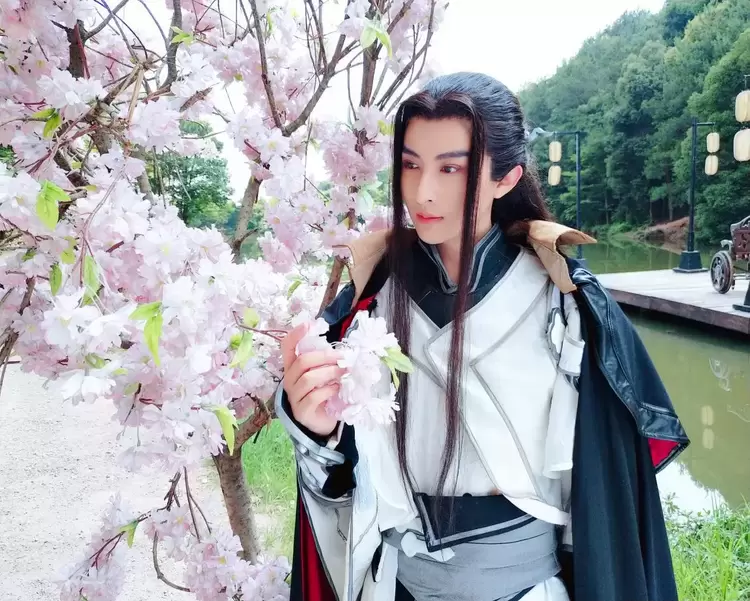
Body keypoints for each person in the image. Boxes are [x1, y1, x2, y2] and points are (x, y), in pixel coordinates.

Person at [276, 72, 689, 601]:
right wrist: (316, 425)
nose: (423, 191)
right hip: (395, 585)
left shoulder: (563, 301)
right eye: (410, 165)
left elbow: (604, 480)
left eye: (451, 168)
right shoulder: (373, 295)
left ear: (506, 178)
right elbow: (343, 465)